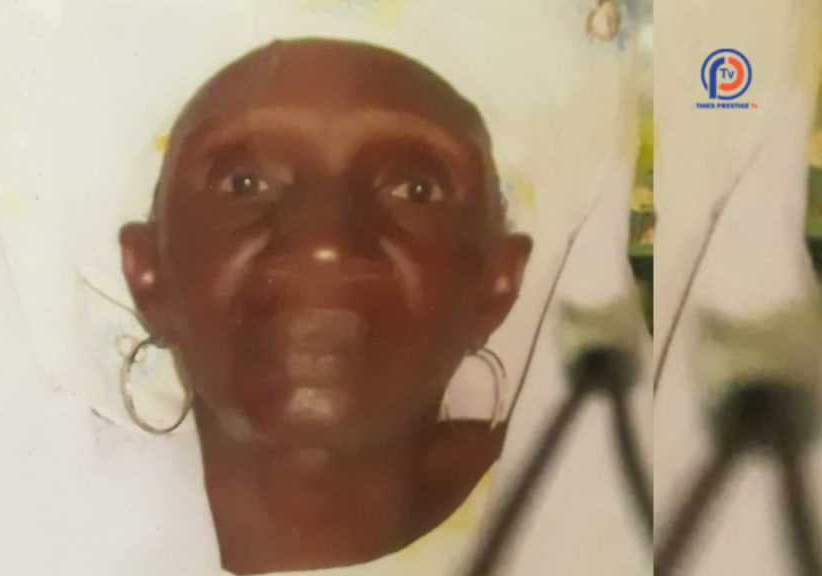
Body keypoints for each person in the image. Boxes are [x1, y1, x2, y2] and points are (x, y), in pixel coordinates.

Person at [118, 38, 531, 575]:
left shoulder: (589, 516)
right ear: (149, 275)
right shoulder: (42, 527)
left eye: (415, 189)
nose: (324, 243)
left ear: (496, 285)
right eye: (243, 183)